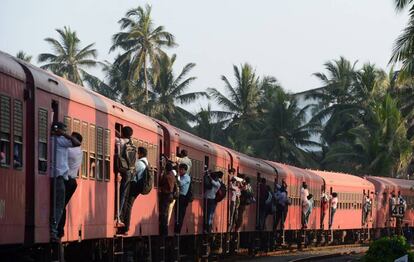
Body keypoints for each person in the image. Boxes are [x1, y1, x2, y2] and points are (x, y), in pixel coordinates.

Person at [49, 122, 81, 242]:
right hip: (59, 177)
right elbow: (77, 143)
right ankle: (54, 230)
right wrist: (65, 135)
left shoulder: (51, 140)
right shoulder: (60, 141)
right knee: (60, 205)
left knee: (57, 204)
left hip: (53, 176)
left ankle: (55, 229)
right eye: (64, 130)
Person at [57, 132, 83, 238]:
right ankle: (60, 228)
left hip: (67, 181)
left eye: (71, 138)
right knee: (63, 205)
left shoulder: (70, 151)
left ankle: (59, 229)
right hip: (73, 182)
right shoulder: (79, 151)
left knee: (61, 205)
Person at [118, 146, 148, 234]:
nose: (136, 154)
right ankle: (125, 225)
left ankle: (125, 226)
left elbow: (131, 172)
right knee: (129, 205)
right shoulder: (145, 162)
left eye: (137, 153)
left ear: (141, 154)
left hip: (134, 185)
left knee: (128, 205)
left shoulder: (139, 163)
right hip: (139, 186)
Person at [115, 126, 135, 226]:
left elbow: (115, 139)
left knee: (122, 194)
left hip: (122, 169)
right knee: (124, 193)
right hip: (129, 171)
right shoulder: (131, 143)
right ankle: (119, 214)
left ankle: (118, 214)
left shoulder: (120, 141)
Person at [159, 161, 177, 236]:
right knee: (165, 213)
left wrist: (162, 173)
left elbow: (161, 182)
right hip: (170, 195)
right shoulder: (172, 175)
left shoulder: (167, 176)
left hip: (166, 195)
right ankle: (164, 229)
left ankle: (164, 230)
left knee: (164, 213)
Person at [174, 164, 191, 234]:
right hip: (179, 196)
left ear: (185, 170)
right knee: (177, 212)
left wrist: (177, 176)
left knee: (180, 214)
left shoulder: (187, 178)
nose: (180, 171)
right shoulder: (181, 176)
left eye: (181, 169)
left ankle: (178, 229)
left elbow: (180, 183)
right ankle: (176, 227)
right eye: (179, 169)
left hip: (183, 197)